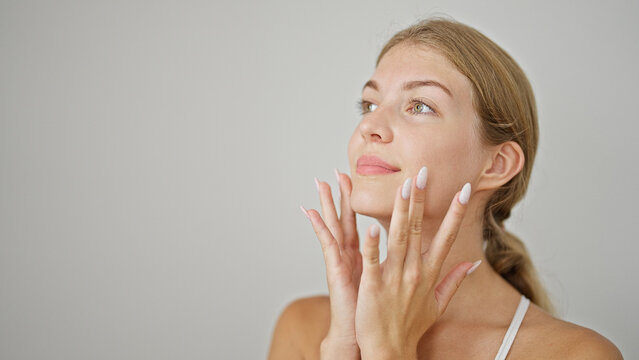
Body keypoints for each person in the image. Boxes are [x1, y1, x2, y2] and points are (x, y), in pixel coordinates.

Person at [268, 16, 623, 360]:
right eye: (369, 104)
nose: (370, 126)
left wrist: (388, 352)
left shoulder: (575, 354)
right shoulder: (304, 329)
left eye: (419, 106)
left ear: (496, 165)